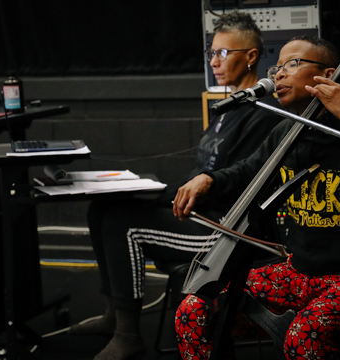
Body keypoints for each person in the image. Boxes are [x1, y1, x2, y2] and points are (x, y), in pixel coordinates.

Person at [173, 36, 340, 360]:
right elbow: (247, 173)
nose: (279, 74)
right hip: (298, 273)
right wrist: (208, 179)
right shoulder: (286, 130)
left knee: (306, 336)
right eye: (277, 66)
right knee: (196, 309)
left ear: (327, 76)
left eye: (292, 64)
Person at [67, 12, 283, 360]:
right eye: (211, 53)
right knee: (103, 209)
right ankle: (112, 316)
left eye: (223, 53)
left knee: (124, 225)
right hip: (200, 213)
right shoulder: (227, 110)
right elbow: (201, 173)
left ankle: (127, 335)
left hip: (225, 230)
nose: (214, 61)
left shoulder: (264, 114)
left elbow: (233, 185)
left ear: (252, 56)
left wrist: (164, 196)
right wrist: (150, 192)